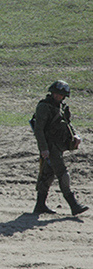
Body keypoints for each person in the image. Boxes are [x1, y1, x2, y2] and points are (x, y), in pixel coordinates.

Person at [32, 80, 88, 216]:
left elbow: (67, 124)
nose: (58, 96)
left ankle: (40, 205)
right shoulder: (45, 107)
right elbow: (38, 130)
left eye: (60, 95)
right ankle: (74, 205)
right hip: (50, 147)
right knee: (63, 174)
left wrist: (75, 135)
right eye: (56, 94)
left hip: (59, 145)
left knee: (47, 175)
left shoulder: (61, 107)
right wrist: (44, 149)